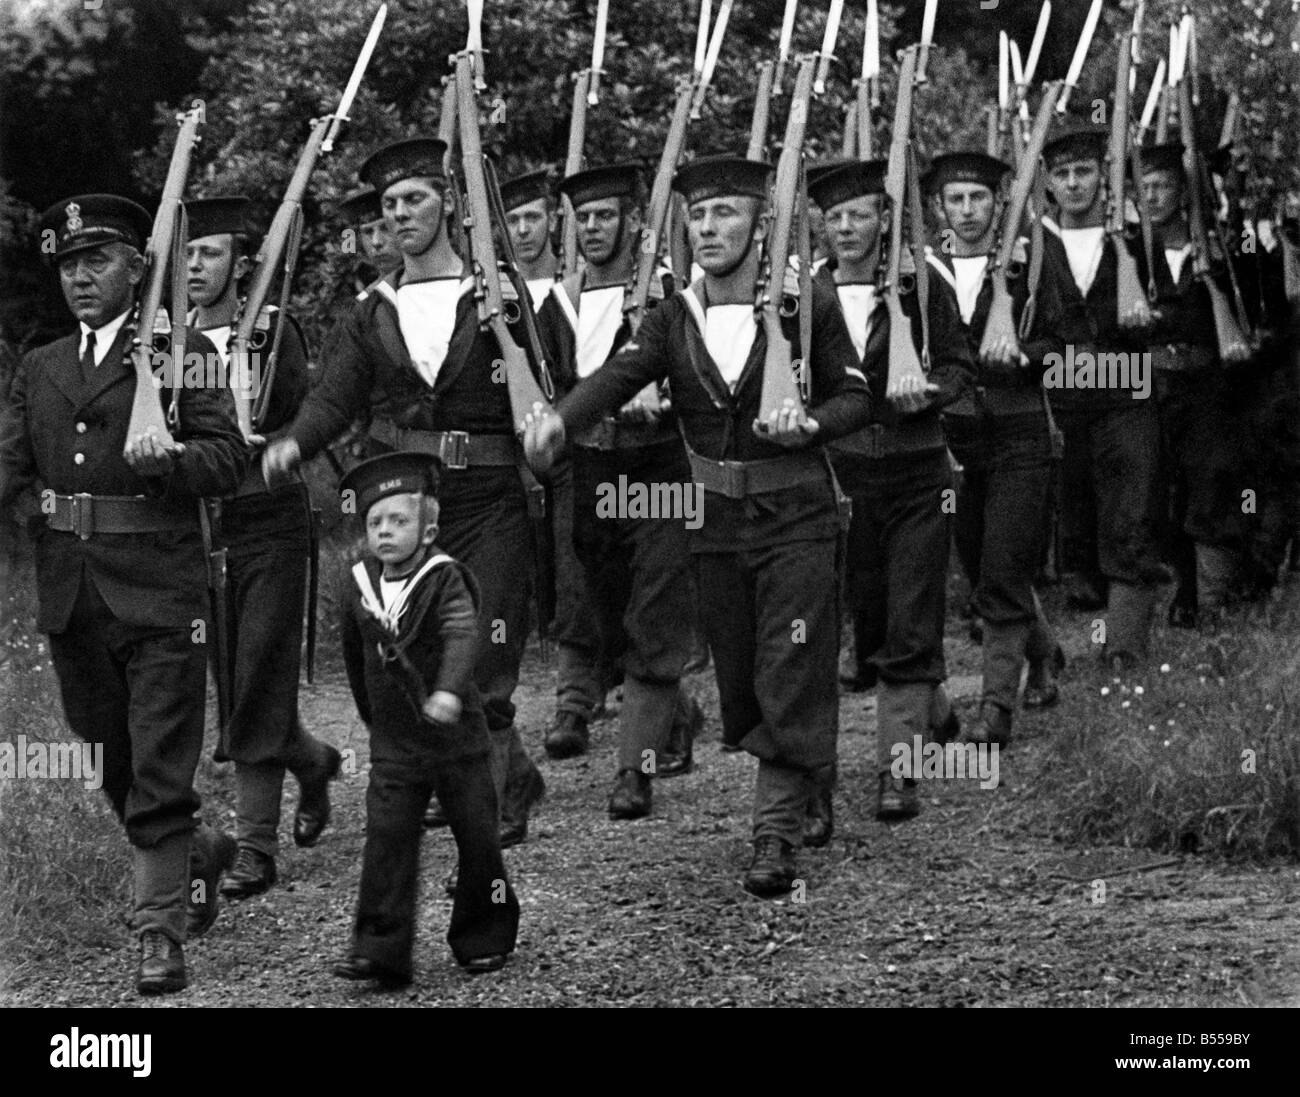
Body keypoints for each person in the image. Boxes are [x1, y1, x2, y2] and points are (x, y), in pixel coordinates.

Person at [525, 155, 870, 895]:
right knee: (744, 677)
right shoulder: (672, 316)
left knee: (789, 663)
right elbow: (619, 376)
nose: (710, 230)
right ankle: (811, 769)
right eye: (700, 217)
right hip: (713, 525)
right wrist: (561, 420)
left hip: (798, 518)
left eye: (727, 215)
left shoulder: (804, 305)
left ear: (760, 226)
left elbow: (856, 397)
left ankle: (772, 834)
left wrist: (809, 423)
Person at [261, 138, 545, 848]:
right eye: (389, 206)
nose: (401, 215)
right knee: (408, 641)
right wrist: (294, 441)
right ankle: (465, 771)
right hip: (408, 503)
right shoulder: (372, 309)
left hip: (490, 496)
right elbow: (336, 395)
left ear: (447, 202)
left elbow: (544, 387)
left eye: (414, 198)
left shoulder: (498, 292)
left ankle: (500, 783)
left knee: (483, 643)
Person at [0, 194, 248, 993]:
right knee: (105, 746)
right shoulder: (39, 365)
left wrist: (168, 460)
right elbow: (9, 466)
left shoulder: (182, 354)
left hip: (160, 589)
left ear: (138, 268)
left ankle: (158, 932)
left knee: (160, 758)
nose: (80, 277)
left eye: (97, 261)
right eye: (69, 264)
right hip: (71, 591)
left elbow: (228, 459)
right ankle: (195, 849)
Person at [184, 195, 342, 897]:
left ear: (242, 266)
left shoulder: (271, 331)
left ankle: (254, 845)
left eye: (210, 253)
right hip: (198, 528)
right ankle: (313, 761)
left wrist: (263, 430)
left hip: (268, 520)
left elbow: (304, 409)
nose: (195, 266)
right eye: (187, 254)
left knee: (259, 676)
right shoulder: (166, 339)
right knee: (229, 680)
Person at [807, 159, 973, 823]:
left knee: (910, 613)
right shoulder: (804, 294)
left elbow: (961, 365)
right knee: (864, 616)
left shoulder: (921, 281)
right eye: (834, 216)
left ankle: (896, 770)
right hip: (840, 482)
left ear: (884, 219)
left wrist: (931, 392)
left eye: (860, 214)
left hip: (917, 473)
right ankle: (929, 707)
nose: (847, 227)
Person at [533, 162, 700, 816]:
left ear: (632, 220)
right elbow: (552, 384)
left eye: (606, 215)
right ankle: (677, 710)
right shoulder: (561, 300)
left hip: (660, 467)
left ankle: (635, 768)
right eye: (584, 218)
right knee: (611, 608)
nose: (595, 228)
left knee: (655, 602)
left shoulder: (669, 292)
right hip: (592, 470)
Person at [334, 451, 519, 985]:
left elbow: (464, 634)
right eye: (375, 523)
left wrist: (449, 691)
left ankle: (484, 933)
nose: (386, 532)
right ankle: (379, 950)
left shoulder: (446, 579)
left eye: (399, 520)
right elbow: (355, 658)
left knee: (478, 836)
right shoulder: (359, 586)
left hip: (456, 738)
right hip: (395, 745)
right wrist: (373, 721)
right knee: (387, 837)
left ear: (429, 528)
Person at [922, 151, 1065, 743]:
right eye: (955, 199)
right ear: (938, 207)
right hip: (953, 442)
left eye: (978, 198)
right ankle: (1046, 650)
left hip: (1020, 434)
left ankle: (995, 707)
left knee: (1005, 567)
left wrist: (1025, 357)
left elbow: (1065, 347)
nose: (967, 210)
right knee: (980, 565)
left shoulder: (1030, 265)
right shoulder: (923, 271)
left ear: (998, 202)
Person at [1038, 123, 1168, 669]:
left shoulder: (1138, 242)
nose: (1073, 184)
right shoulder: (1034, 247)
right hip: (1063, 401)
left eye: (1084, 171)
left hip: (1126, 397)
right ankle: (1068, 637)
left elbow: (1174, 311)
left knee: (1132, 512)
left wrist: (1145, 318)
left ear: (1103, 177)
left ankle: (1124, 648)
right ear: (1048, 182)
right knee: (1075, 518)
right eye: (1063, 174)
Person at [1140, 142, 1247, 627]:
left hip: (1208, 386)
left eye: (1162, 185)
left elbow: (1251, 309)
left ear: (1183, 191)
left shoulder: (1217, 247)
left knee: (1212, 482)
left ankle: (1212, 601)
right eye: (1144, 188)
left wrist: (1214, 276)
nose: (1153, 195)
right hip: (1154, 385)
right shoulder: (1132, 253)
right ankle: (1184, 590)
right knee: (1166, 490)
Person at [500, 168, 561, 311]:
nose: (522, 230)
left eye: (532, 217)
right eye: (513, 220)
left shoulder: (572, 282)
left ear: (552, 221)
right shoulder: (501, 290)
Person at [337, 185, 403, 290]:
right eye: (368, 232)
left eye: (386, 228)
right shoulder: (367, 300)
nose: (376, 242)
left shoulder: (434, 286)